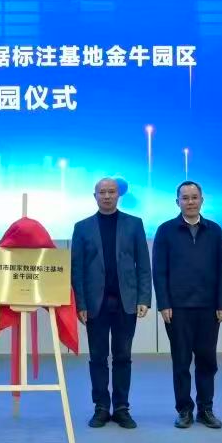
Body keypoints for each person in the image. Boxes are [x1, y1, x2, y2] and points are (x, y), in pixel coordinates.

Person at [71, 178, 152, 429]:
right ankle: (101, 407)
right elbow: (77, 270)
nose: (107, 196)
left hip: (126, 302)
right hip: (94, 304)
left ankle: (122, 408)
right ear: (94, 196)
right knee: (97, 357)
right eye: (102, 192)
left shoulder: (134, 224)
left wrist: (144, 298)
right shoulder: (82, 227)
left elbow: (143, 264)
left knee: (122, 356)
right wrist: (80, 304)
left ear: (119, 195)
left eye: (111, 192)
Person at [152, 181, 222, 430]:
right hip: (177, 309)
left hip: (209, 308)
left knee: (207, 361)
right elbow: (159, 272)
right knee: (181, 361)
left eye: (194, 197)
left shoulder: (214, 230)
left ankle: (206, 410)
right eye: (185, 198)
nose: (190, 202)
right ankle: (184, 410)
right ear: (177, 202)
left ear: (202, 200)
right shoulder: (166, 230)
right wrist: (164, 303)